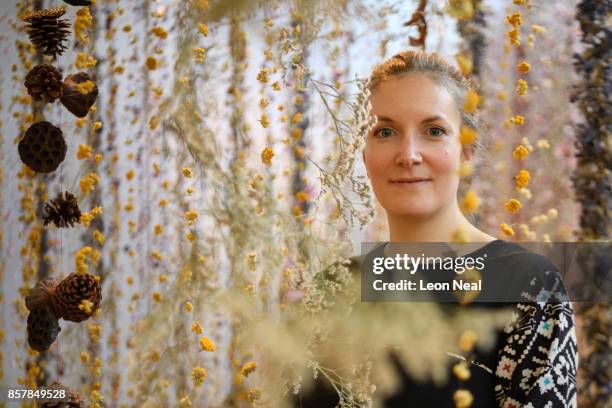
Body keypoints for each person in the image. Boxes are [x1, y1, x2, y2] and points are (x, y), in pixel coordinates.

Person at [292, 50, 578, 407]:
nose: (408, 154)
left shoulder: (527, 285)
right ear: (364, 154)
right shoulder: (334, 288)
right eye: (385, 131)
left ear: (466, 151)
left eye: (434, 131)